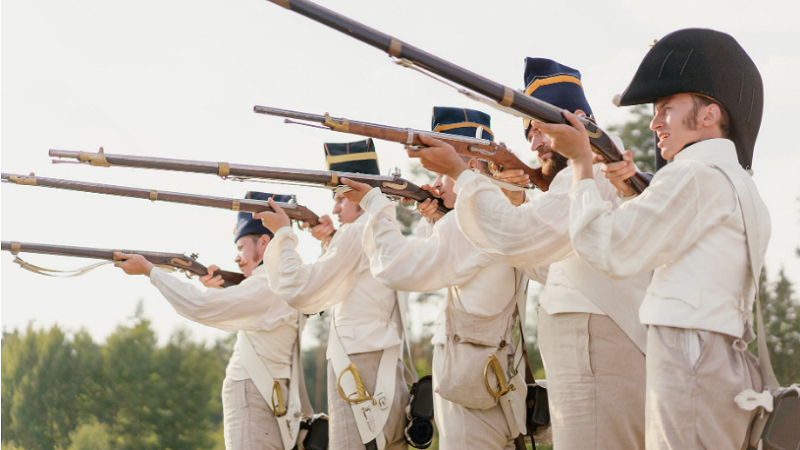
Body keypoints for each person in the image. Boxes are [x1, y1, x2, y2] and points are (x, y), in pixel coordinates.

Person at [542, 29, 769, 450]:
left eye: (667, 107)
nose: (654, 122)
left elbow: (606, 248)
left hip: (690, 359)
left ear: (708, 115)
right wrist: (631, 192)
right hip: (717, 358)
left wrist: (581, 164)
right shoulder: (735, 181)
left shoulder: (693, 174)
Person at [406, 58, 650, 450]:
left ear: (578, 122)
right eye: (529, 134)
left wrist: (464, 176)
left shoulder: (594, 169)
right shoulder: (584, 175)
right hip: (589, 349)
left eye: (540, 130)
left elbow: (521, 239)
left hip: (598, 349)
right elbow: (542, 264)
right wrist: (512, 194)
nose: (534, 144)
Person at [341, 107, 532, 450]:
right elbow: (458, 266)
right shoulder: (497, 214)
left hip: (470, 390)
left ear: (470, 167)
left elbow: (396, 267)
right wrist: (437, 221)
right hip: (492, 381)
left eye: (443, 172)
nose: (438, 182)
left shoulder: (469, 225)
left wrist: (377, 206)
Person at [114, 191, 308, 450]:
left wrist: (151, 271)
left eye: (241, 248)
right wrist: (223, 289)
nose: (237, 258)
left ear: (264, 243)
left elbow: (199, 305)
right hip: (268, 397)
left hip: (254, 397)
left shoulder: (264, 286)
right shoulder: (284, 283)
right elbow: (255, 313)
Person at [256, 139, 410, 450]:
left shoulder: (356, 233)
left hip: (359, 370)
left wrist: (284, 235)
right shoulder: (382, 230)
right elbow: (351, 286)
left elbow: (301, 290)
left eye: (340, 197)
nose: (336, 208)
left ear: (357, 191)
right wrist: (330, 243)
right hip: (387, 372)